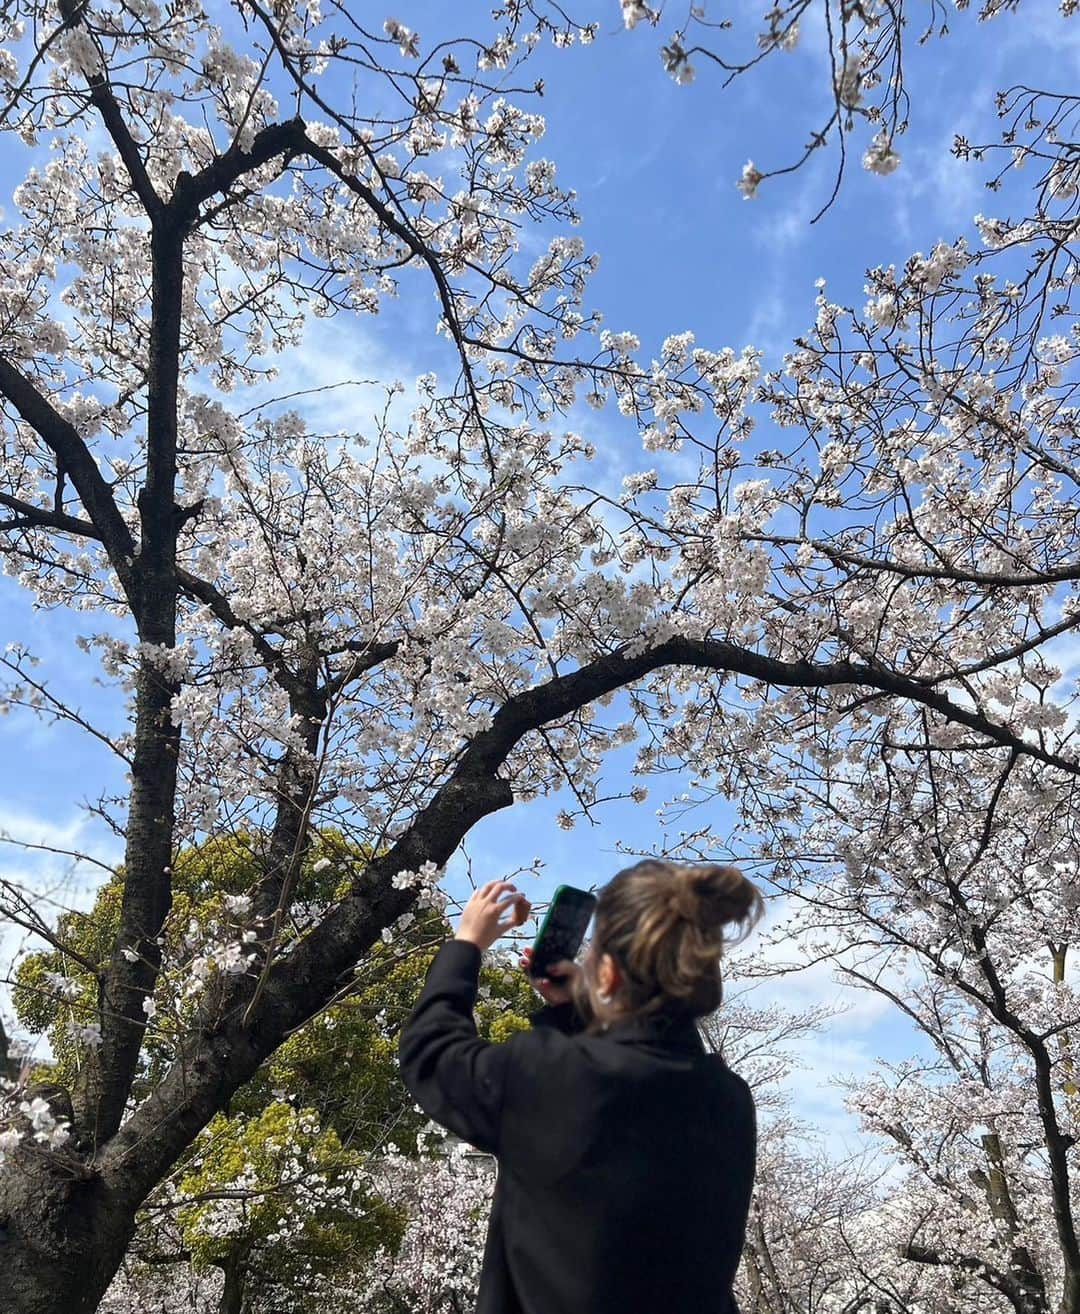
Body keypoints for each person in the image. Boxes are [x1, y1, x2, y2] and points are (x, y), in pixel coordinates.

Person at [398, 858, 765, 1314]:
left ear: (607, 975)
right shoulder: (728, 1098)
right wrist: (582, 1014)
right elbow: (646, 1068)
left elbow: (430, 1053)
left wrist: (467, 944)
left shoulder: (547, 1073)